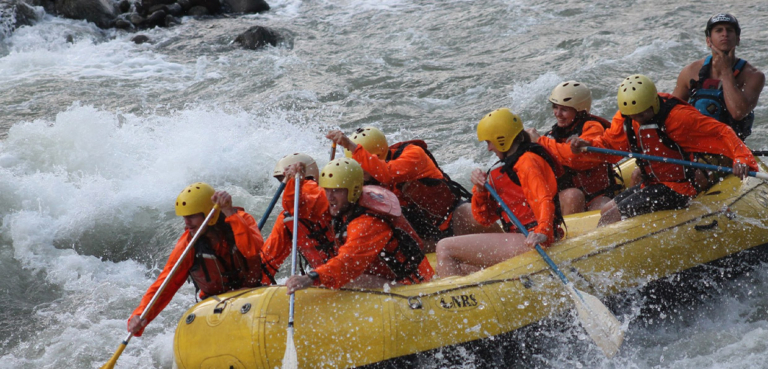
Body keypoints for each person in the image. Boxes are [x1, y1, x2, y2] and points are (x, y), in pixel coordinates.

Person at [571, 74, 758, 227]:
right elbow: (609, 144)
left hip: (679, 188)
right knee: (607, 209)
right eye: (634, 116)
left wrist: (741, 158)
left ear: (653, 104)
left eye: (643, 114)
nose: (639, 119)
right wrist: (586, 146)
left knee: (613, 214)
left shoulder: (679, 118)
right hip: (654, 183)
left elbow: (721, 132)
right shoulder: (628, 117)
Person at [326, 126, 498, 253]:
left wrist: (350, 145)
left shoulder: (413, 155)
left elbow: (387, 173)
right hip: (424, 235)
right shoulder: (364, 182)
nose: (360, 173)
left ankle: (510, 242)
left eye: (362, 164)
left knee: (468, 213)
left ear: (375, 157)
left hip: (453, 216)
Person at [436, 108, 561, 277]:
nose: (488, 148)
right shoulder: (501, 170)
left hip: (534, 238)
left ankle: (452, 302)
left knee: (444, 247)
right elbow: (484, 218)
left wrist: (543, 232)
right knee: (464, 268)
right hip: (522, 238)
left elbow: (543, 199)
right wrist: (479, 189)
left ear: (502, 139)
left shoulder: (528, 161)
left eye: (489, 142)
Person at [128, 182, 264, 336]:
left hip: (253, 293)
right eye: (185, 217)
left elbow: (252, 250)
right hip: (216, 304)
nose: (186, 222)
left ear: (209, 214)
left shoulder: (240, 219)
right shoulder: (187, 245)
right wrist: (140, 315)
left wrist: (228, 211)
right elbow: (165, 284)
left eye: (192, 216)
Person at [285, 158, 434, 293]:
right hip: (383, 276)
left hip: (411, 285)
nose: (330, 196)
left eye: (336, 190)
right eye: (327, 189)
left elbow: (347, 264)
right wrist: (294, 181)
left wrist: (312, 277)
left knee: (351, 280)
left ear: (353, 190)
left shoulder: (368, 223)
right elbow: (297, 207)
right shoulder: (342, 201)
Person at [527, 81, 622, 215]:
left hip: (597, 196)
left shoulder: (593, 128)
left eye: (564, 109)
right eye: (555, 107)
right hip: (569, 198)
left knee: (604, 206)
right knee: (573, 196)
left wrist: (539, 141)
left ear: (579, 110)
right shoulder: (551, 137)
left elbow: (576, 158)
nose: (557, 114)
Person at [672, 13, 764, 140]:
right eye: (719, 30)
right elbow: (671, 112)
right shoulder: (690, 72)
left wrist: (726, 71)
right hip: (694, 144)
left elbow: (738, 113)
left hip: (731, 147)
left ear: (738, 39)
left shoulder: (754, 76)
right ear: (708, 40)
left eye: (730, 30)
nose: (725, 34)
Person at [259, 153, 335, 284]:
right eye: (283, 180)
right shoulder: (337, 198)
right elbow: (269, 257)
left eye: (288, 180)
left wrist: (256, 282)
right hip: (328, 275)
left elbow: (267, 262)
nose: (285, 184)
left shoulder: (323, 197)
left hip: (333, 272)